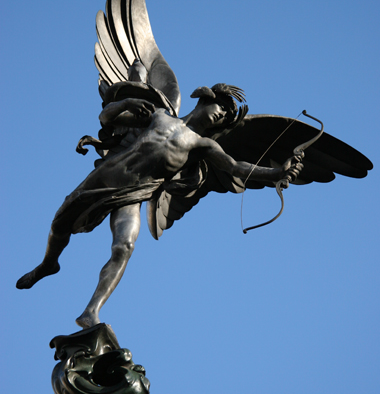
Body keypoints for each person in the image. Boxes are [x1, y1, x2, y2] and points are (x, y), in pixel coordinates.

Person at [16, 86, 303, 328]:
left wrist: (275, 173)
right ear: (204, 98)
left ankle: (91, 311)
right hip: (104, 176)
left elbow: (236, 167)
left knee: (124, 247)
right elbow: (106, 117)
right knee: (60, 224)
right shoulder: (159, 115)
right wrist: (126, 103)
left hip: (133, 194)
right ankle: (49, 263)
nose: (224, 114)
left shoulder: (202, 145)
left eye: (228, 115)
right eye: (223, 106)